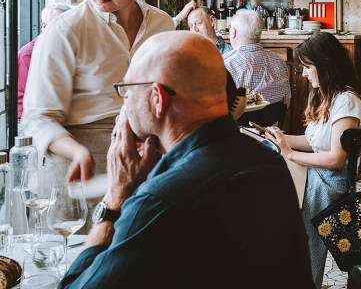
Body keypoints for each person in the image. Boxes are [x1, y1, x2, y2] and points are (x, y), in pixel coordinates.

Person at [59, 31, 313, 288]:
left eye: (127, 90)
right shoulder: (267, 161)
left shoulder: (160, 199)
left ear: (157, 99)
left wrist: (115, 198)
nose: (123, 104)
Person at [22, 0, 174, 183]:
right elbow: (37, 117)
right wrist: (78, 152)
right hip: (78, 163)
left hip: (149, 162)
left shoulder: (162, 24)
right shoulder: (66, 30)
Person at [265, 32, 361, 289]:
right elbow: (313, 143)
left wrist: (289, 153)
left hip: (332, 182)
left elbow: (336, 159)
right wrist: (279, 138)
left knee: (279, 195)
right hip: (320, 174)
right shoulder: (331, 97)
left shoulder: (347, 101)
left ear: (325, 66)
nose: (303, 74)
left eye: (307, 67)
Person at [225, 8, 290, 127]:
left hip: (239, 136)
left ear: (233, 32)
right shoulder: (279, 61)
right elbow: (287, 102)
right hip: (272, 134)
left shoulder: (228, 64)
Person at [18, 3, 71, 119]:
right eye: (57, 24)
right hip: (30, 118)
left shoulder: (66, 50)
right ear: (44, 26)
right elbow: (33, 94)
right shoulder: (28, 53)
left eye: (67, 24)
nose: (64, 29)